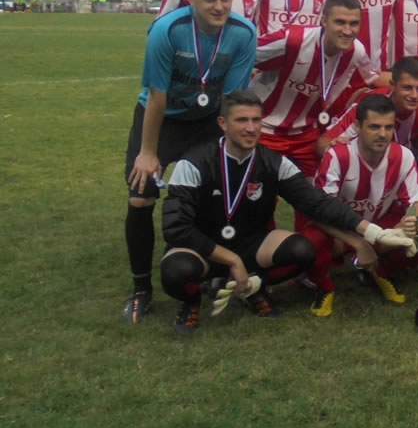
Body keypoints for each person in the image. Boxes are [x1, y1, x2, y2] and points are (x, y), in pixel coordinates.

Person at [159, 91, 400, 334]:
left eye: (256, 121)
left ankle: (252, 287)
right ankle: (191, 301)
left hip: (250, 244)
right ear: (223, 123)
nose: (251, 128)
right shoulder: (193, 163)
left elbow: (316, 203)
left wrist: (370, 231)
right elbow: (176, 228)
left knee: (303, 250)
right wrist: (231, 260)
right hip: (204, 246)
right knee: (176, 271)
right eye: (242, 120)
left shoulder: (274, 162)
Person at [121, 0, 258, 323]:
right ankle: (141, 289)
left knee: (211, 198)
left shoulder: (243, 33)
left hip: (207, 122)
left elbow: (231, 98)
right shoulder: (167, 30)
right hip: (161, 119)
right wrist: (149, 153)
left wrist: (231, 149)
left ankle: (209, 275)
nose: (218, 6)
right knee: (141, 194)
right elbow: (156, 96)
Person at [304, 95, 418, 316]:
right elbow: (319, 212)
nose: (382, 134)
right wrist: (359, 243)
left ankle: (379, 271)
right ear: (357, 126)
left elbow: (415, 203)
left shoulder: (403, 156)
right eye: (374, 127)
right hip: (342, 230)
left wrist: (410, 221)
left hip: (379, 225)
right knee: (312, 241)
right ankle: (324, 286)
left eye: (388, 127)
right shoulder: (338, 155)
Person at [250, 0, 379, 178]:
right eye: (340, 22)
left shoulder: (356, 51)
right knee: (259, 196)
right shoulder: (293, 40)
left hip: (307, 134)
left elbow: (373, 78)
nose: (348, 31)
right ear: (324, 21)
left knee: (318, 196)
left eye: (354, 24)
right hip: (265, 128)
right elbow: (244, 55)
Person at [318, 56, 418, 158]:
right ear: (392, 86)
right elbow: (321, 144)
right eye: (407, 88)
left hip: (400, 160)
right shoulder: (368, 107)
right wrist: (342, 154)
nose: (414, 95)